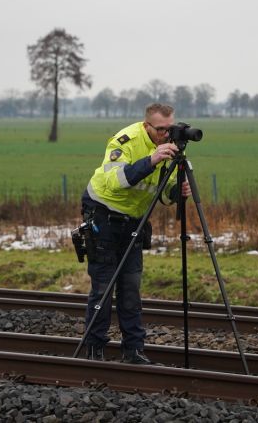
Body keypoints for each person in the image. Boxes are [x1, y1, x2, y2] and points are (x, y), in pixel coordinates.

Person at [80, 103, 191, 364]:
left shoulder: (171, 148)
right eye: (160, 129)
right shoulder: (125, 140)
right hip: (103, 214)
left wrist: (178, 193)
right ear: (146, 125)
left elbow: (163, 192)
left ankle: (133, 350)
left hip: (134, 221)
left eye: (169, 128)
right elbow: (116, 180)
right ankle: (94, 348)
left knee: (131, 287)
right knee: (104, 286)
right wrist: (151, 160)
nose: (166, 134)